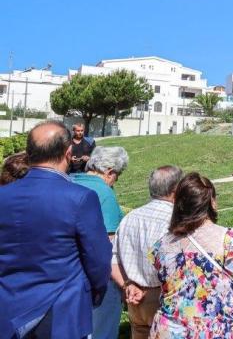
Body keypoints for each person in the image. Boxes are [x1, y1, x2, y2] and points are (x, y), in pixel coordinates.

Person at [0, 120, 112, 339]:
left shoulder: (4, 195)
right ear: (68, 152)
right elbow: (98, 260)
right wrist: (95, 293)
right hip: (60, 311)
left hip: (8, 308)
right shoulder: (80, 198)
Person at [149, 173, 233, 338]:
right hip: (220, 330)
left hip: (171, 330)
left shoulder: (161, 246)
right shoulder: (231, 240)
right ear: (212, 203)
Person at [114, 165, 183, 339]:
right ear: (176, 190)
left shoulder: (130, 217)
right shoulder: (174, 221)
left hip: (134, 298)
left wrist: (127, 285)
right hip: (161, 298)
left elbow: (113, 259)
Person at [72, 146, 129, 339]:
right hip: (96, 280)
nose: (116, 180)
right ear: (110, 172)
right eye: (118, 175)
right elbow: (107, 245)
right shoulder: (105, 193)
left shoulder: (71, 180)